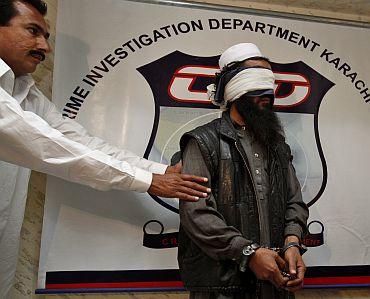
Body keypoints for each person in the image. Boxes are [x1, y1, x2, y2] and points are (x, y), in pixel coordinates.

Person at [0, 0, 210, 296]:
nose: (44, 47)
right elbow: (50, 147)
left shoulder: (24, 91)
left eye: (46, 36)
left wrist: (161, 170)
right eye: (33, 31)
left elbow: (80, 142)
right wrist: (149, 181)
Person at [178, 43, 309, 299]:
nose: (266, 97)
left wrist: (292, 243)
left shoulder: (277, 145)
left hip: (276, 282)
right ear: (233, 89)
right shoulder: (202, 141)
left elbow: (294, 202)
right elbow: (197, 214)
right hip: (222, 288)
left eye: (268, 88)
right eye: (254, 86)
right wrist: (248, 254)